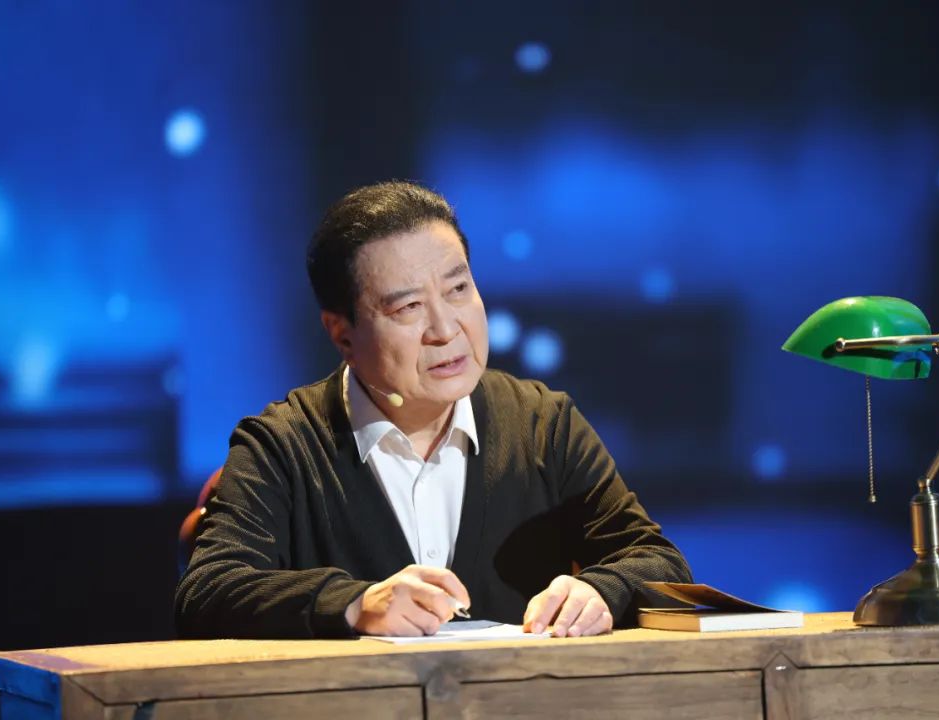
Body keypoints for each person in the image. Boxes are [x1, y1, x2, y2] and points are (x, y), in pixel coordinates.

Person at [175, 181, 692, 639]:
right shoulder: (282, 445)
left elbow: (658, 561)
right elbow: (208, 590)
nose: (446, 330)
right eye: (408, 308)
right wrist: (354, 604)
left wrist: (601, 590)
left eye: (458, 289)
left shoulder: (542, 424)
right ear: (342, 334)